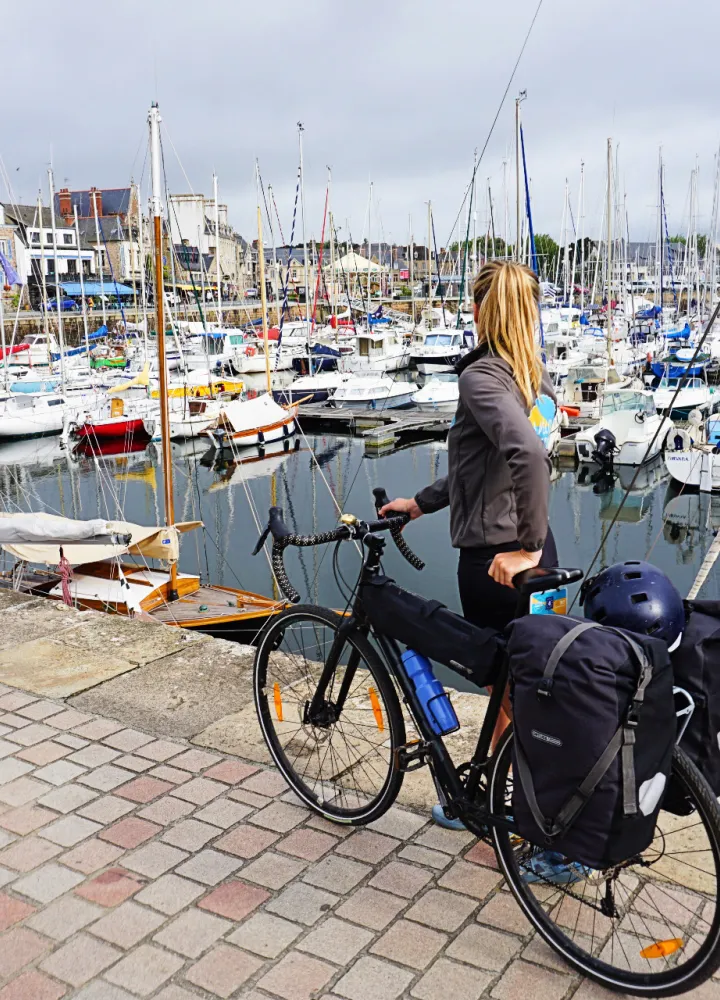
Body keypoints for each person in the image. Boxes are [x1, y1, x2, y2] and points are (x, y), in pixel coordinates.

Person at [381, 259, 559, 824]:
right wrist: (420, 502)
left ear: (480, 310)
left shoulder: (481, 377)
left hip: (496, 563)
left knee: (510, 691)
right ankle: (493, 798)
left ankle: (537, 818)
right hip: (540, 562)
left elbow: (528, 457)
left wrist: (525, 547)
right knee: (521, 687)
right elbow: (485, 469)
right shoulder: (533, 377)